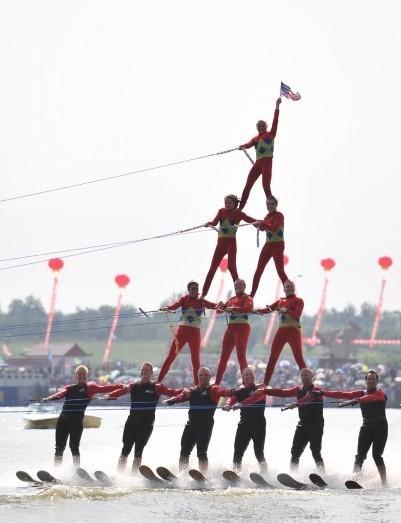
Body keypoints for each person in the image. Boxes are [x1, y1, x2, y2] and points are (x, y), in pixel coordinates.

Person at [241, 368, 325, 471]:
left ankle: (322, 475)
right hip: (303, 424)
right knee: (295, 452)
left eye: (306, 375)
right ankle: (294, 475)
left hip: (316, 426)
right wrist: (265, 391)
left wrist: (296, 403)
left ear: (312, 377)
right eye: (302, 376)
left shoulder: (317, 390)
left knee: (315, 451)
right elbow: (282, 392)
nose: (304, 378)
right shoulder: (298, 390)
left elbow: (310, 398)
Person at [105, 362, 182, 470]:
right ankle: (119, 474)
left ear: (151, 373)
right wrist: (110, 395)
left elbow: (172, 392)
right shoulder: (134, 385)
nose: (144, 372)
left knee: (138, 451)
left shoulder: (157, 387)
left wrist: (187, 391)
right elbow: (121, 391)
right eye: (142, 370)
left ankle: (134, 475)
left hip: (146, 423)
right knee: (125, 450)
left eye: (146, 370)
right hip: (132, 422)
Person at [42, 364, 123, 466]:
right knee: (59, 448)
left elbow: (105, 388)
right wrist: (49, 399)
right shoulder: (69, 388)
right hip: (63, 420)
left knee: (74, 447)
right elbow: (60, 394)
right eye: (79, 374)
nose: (81, 376)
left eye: (83, 374)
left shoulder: (90, 387)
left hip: (76, 422)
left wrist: (121, 386)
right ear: (76, 376)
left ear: (86, 376)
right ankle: (57, 471)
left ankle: (76, 470)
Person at [322, 369, 388, 486]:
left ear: (377, 381)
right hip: (366, 426)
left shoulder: (380, 393)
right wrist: (323, 393)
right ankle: (355, 480)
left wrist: (356, 400)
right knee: (359, 455)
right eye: (369, 379)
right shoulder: (361, 393)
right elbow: (342, 395)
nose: (371, 381)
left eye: (374, 379)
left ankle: (384, 483)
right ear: (366, 381)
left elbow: (371, 398)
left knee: (376, 455)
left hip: (380, 427)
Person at [163, 367, 233, 472]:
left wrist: (231, 392)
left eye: (205, 375)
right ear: (197, 377)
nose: (203, 377)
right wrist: (173, 400)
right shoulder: (192, 390)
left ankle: (203, 475)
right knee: (184, 452)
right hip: (191, 425)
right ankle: (182, 475)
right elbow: (182, 396)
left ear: (209, 377)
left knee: (201, 453)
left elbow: (222, 392)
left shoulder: (213, 389)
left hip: (205, 426)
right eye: (201, 375)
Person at [158, 281, 217, 384]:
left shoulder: (201, 301)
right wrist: (167, 308)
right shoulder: (184, 299)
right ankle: (158, 380)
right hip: (182, 332)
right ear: (189, 290)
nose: (195, 291)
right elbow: (175, 306)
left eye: (197, 289)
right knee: (171, 356)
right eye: (193, 289)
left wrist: (223, 306)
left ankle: (197, 385)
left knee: (195, 360)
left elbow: (213, 306)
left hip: (195, 334)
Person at [201, 194, 256, 297]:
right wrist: (208, 223)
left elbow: (250, 220)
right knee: (212, 268)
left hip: (231, 243)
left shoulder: (238, 213)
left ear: (234, 204)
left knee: (231, 267)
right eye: (225, 202)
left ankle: (240, 293)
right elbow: (214, 222)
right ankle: (203, 295)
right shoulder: (221, 211)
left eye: (229, 203)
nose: (227, 204)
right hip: (220, 244)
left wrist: (259, 223)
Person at [256, 279, 306, 385]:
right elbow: (268, 309)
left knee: (299, 358)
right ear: (284, 289)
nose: (289, 288)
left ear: (294, 288)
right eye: (287, 287)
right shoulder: (280, 301)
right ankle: (265, 384)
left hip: (294, 331)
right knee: (273, 356)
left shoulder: (299, 300)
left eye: (291, 286)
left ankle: (309, 384)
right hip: (281, 331)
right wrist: (255, 311)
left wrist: (285, 310)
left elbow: (297, 314)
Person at [238, 98, 281, 209]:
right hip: (258, 164)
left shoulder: (271, 134)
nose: (261, 128)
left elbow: (275, 120)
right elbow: (248, 144)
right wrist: (243, 146)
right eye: (259, 127)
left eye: (263, 126)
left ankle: (272, 208)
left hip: (267, 163)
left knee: (265, 186)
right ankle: (240, 208)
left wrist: (277, 106)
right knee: (248, 185)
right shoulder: (255, 138)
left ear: (266, 127)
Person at [223, 367, 267, 472]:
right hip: (244, 424)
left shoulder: (261, 388)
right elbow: (232, 398)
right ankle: (236, 473)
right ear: (242, 377)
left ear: (254, 376)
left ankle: (265, 474)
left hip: (259, 424)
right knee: (237, 452)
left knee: (259, 453)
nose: (249, 376)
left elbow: (255, 399)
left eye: (251, 374)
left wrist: (240, 404)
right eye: (246, 375)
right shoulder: (240, 390)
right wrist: (227, 405)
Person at [215, 279, 254, 385]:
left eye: (241, 284)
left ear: (245, 286)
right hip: (231, 328)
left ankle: (247, 384)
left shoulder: (248, 298)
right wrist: (221, 305)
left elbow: (248, 308)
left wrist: (231, 309)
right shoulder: (232, 299)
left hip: (242, 328)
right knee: (223, 357)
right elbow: (218, 311)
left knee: (241, 356)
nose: (238, 286)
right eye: (236, 285)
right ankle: (216, 383)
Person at [250, 195, 288, 297]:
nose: (270, 206)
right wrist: (257, 225)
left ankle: (289, 293)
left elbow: (274, 228)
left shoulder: (279, 215)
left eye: (272, 204)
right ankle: (251, 295)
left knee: (280, 271)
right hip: (268, 245)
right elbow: (264, 229)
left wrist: (261, 223)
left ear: (276, 205)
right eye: (268, 204)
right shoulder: (266, 217)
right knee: (258, 270)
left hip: (278, 245)